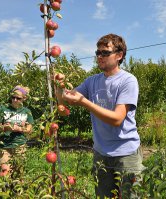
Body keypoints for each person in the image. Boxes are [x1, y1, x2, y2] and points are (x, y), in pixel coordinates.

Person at [56, 33, 144, 198]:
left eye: (105, 53)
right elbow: (66, 100)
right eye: (98, 53)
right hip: (101, 153)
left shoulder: (128, 81)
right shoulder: (92, 81)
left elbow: (117, 119)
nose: (99, 57)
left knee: (130, 196)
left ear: (119, 55)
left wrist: (85, 102)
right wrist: (58, 86)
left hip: (126, 154)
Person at [0, 85, 34, 177]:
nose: (15, 100)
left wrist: (19, 129)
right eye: (13, 97)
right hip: (4, 145)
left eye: (18, 98)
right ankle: (3, 190)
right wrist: (4, 127)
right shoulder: (3, 109)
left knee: (19, 174)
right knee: (5, 172)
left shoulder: (26, 111)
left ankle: (17, 191)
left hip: (20, 146)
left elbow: (29, 129)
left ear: (24, 99)